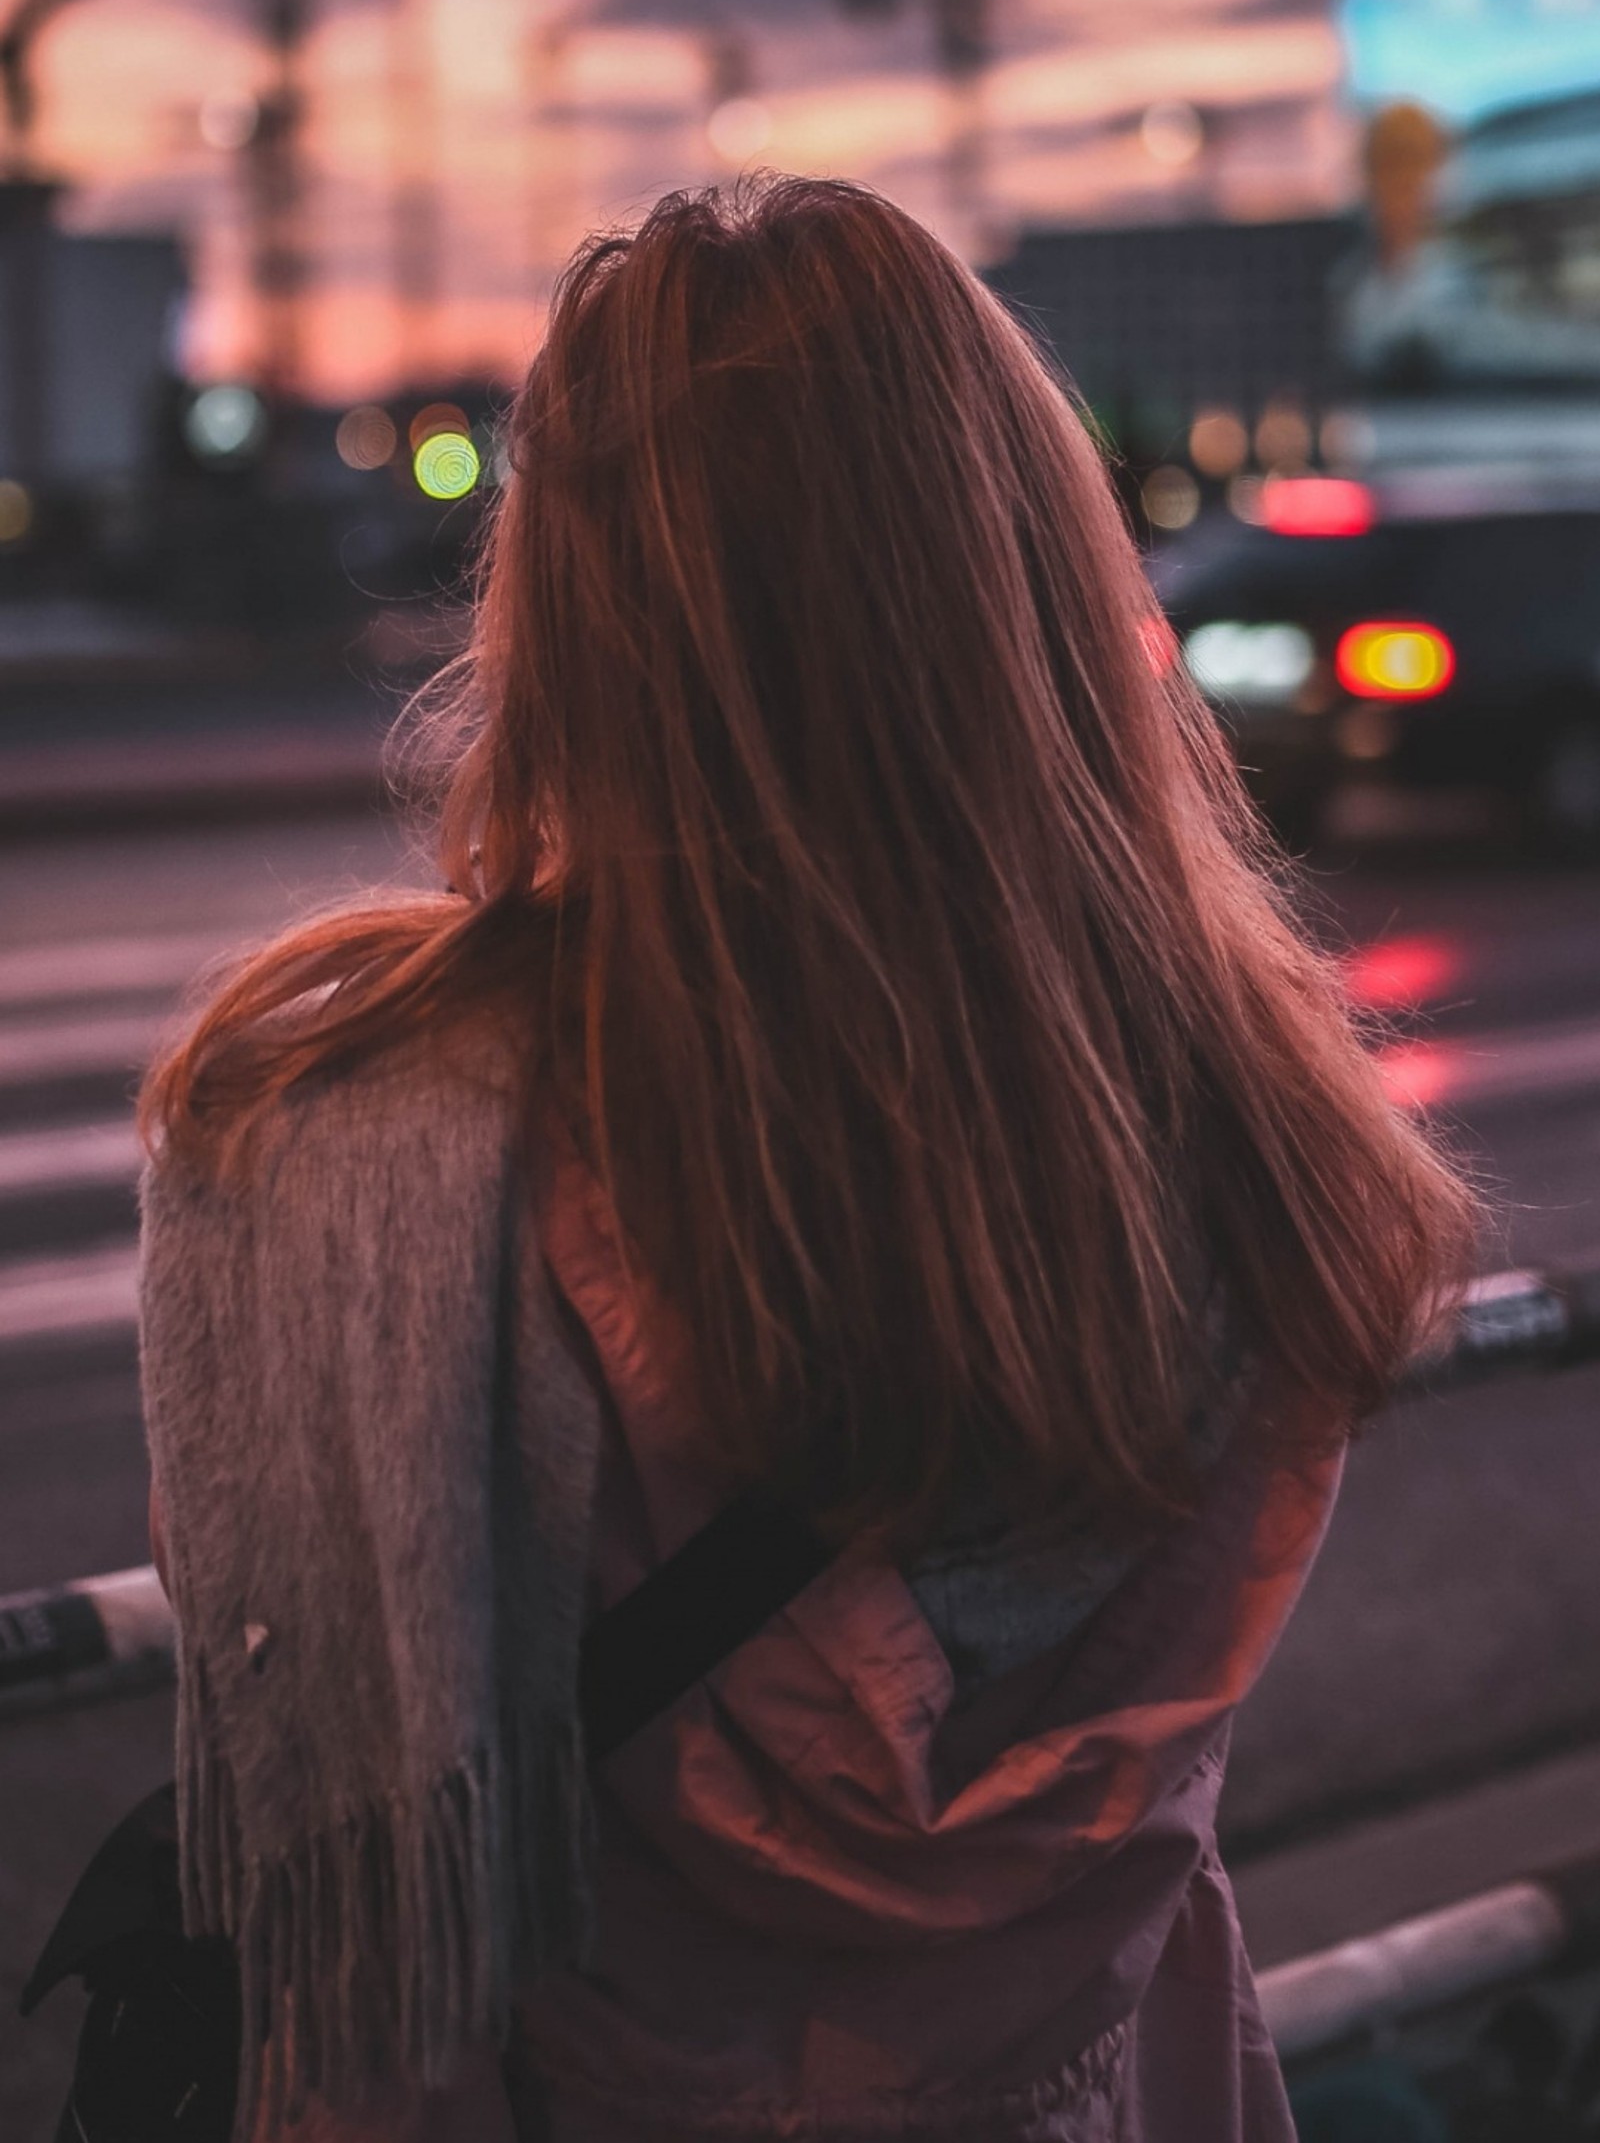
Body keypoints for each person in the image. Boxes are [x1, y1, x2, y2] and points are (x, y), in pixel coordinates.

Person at [140, 177, 1477, 2143]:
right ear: (1016, 572)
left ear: (575, 607)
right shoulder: (1241, 1115)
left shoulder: (358, 1135)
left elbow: (372, 2017)